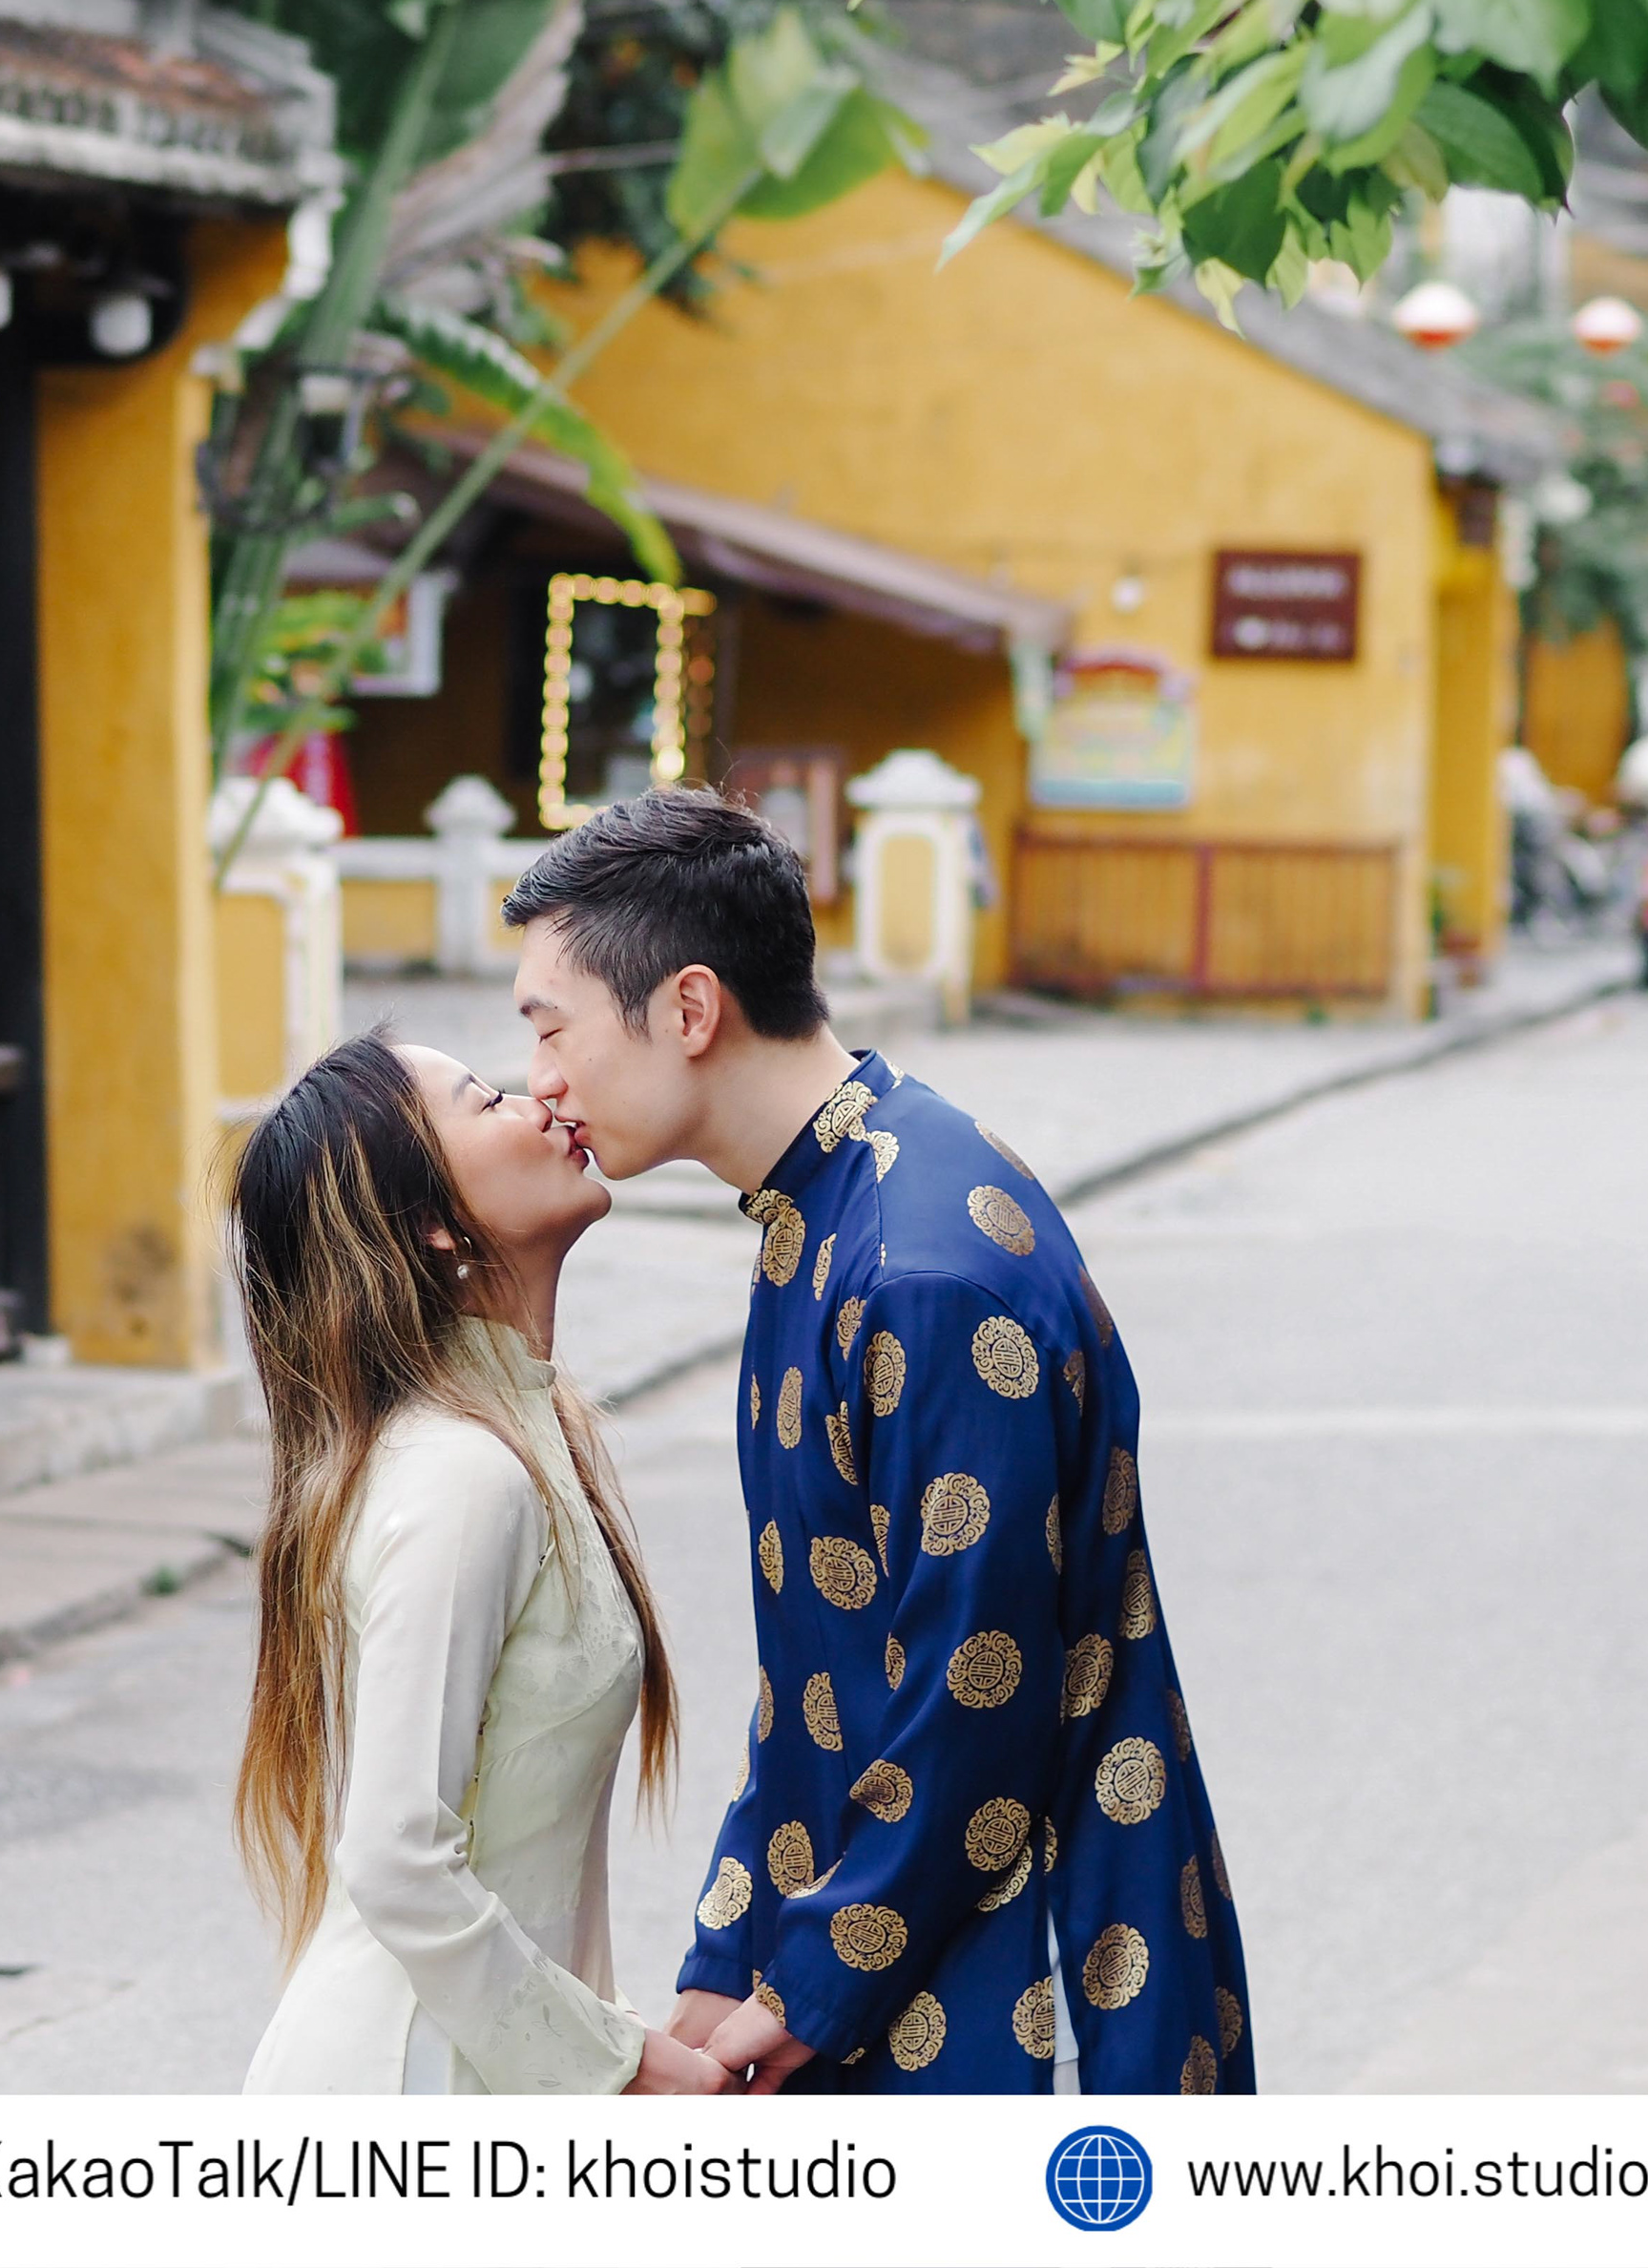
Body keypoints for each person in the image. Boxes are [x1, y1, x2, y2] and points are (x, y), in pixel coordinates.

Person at [504, 788, 1253, 2095]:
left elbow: (979, 1686)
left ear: (689, 1010)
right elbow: (820, 1672)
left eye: (550, 1028)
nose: (540, 1081)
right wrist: (728, 1959)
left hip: (1037, 1980)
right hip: (900, 1953)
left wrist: (804, 1991)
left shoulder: (919, 1270)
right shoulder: (831, 1205)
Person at [232, 1033, 729, 2095]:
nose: (543, 1094)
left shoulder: (521, 1432)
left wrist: (616, 2037)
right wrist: (624, 2064)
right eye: (487, 1097)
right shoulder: (461, 1474)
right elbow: (398, 1857)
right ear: (434, 1223)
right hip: (408, 2083)